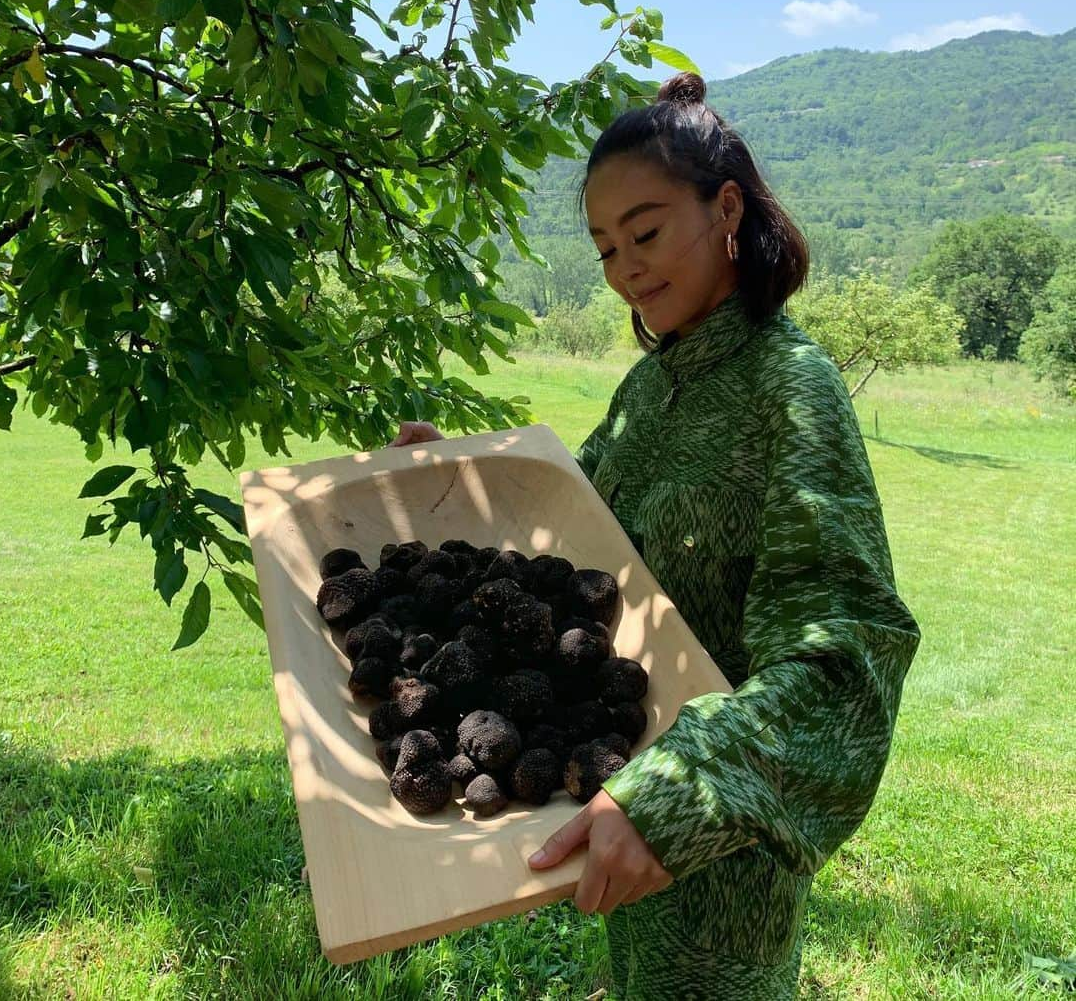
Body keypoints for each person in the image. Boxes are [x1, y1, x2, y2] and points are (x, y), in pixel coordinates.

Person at [390, 71, 921, 1000]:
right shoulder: (649, 387)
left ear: (726, 211)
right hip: (617, 787)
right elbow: (578, 525)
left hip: (716, 834)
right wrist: (468, 484)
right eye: (603, 249)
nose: (626, 267)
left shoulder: (791, 391)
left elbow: (846, 657)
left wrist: (682, 792)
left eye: (644, 232)